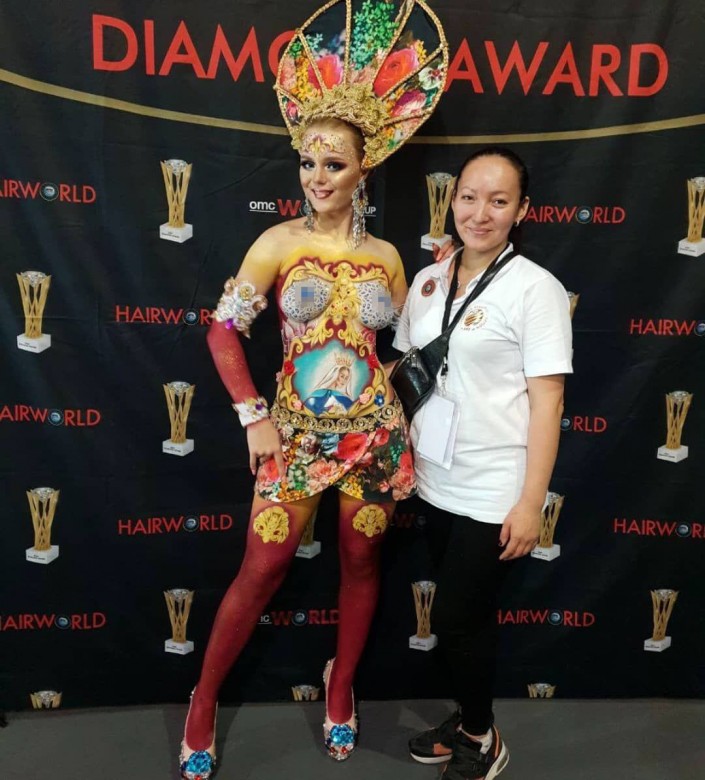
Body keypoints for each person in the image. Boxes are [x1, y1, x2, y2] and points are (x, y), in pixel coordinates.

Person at [178, 2, 449, 777]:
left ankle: (340, 688)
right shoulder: (276, 243)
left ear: (364, 169)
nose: (317, 178)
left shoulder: (389, 258)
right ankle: (202, 699)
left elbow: (394, 347)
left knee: (360, 564)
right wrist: (252, 416)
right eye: (307, 162)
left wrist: (400, 378)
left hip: (371, 437)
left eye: (333, 165)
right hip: (292, 435)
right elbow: (222, 332)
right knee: (261, 569)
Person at [394, 146, 573, 780]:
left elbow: (549, 402)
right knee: (459, 620)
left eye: (498, 201)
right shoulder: (428, 281)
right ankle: (469, 719)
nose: (479, 213)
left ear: (521, 210)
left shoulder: (535, 289)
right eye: (469, 197)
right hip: (433, 479)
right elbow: (404, 372)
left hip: (495, 486)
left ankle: (481, 736)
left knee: (456, 618)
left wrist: (531, 502)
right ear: (452, 201)